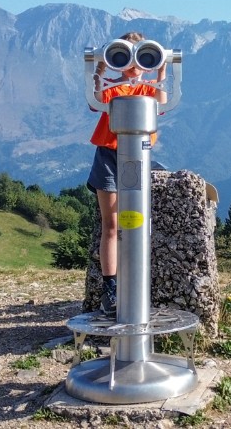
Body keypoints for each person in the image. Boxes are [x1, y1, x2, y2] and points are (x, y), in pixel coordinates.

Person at [87, 31, 168, 315]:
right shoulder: (112, 87)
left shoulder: (148, 89)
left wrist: (161, 68)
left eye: (140, 55)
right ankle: (110, 289)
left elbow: (164, 100)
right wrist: (99, 67)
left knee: (137, 225)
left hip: (138, 154)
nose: (133, 63)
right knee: (111, 225)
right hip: (109, 155)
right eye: (125, 55)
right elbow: (94, 100)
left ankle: (137, 283)